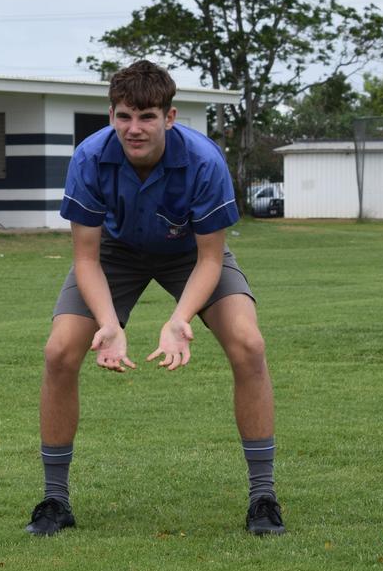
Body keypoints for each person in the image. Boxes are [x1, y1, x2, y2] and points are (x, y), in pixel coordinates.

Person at [26, 60, 285, 538]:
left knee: (249, 344)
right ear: (111, 116)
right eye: (124, 116)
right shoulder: (89, 158)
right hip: (114, 254)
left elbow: (211, 259)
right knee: (59, 351)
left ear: (170, 116)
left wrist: (179, 319)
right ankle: (54, 501)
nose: (134, 128)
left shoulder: (204, 161)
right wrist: (108, 323)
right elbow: (86, 258)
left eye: (146, 116)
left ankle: (263, 498)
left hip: (189, 252)